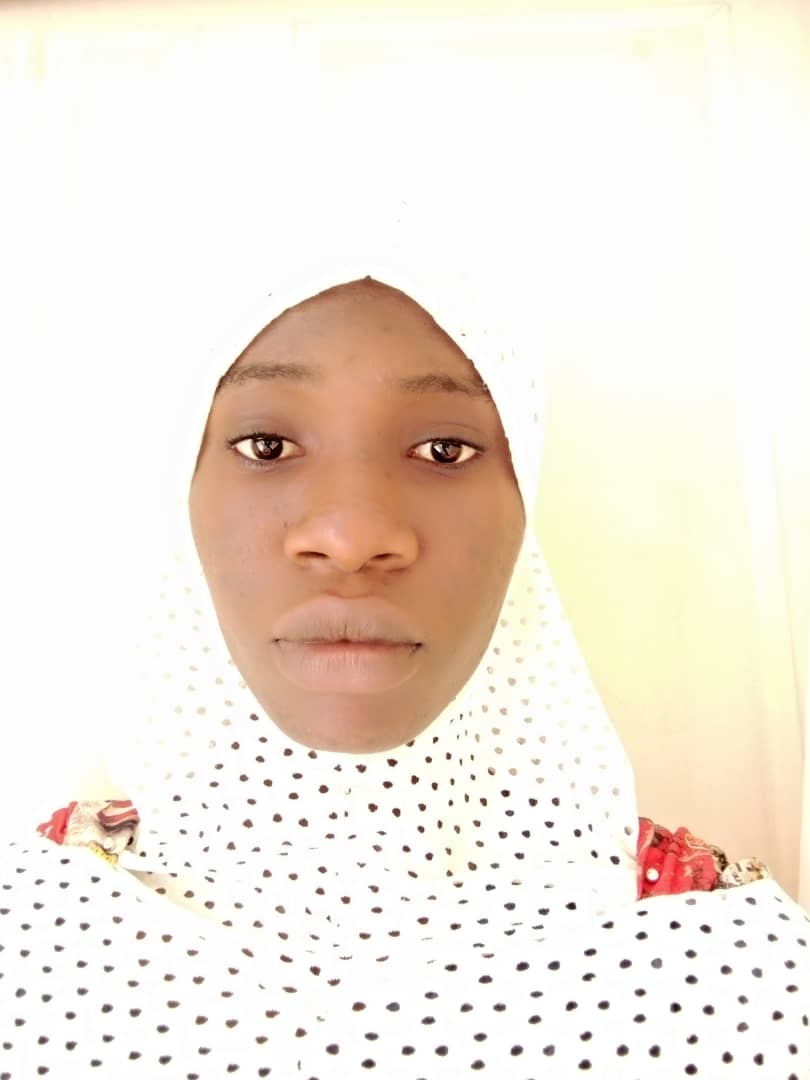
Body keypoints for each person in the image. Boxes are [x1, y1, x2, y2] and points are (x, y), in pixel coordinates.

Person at [1, 257, 808, 1079]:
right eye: (267, 445)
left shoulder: (741, 979)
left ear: (525, 497)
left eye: (443, 449)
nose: (351, 539)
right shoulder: (29, 934)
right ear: (184, 489)